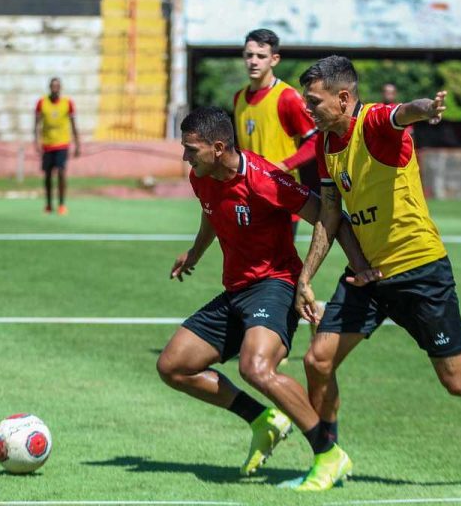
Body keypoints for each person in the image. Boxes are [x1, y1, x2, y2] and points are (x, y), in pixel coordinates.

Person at [292, 56, 461, 486]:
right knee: (317, 360)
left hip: (420, 270)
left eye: (314, 101)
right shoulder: (325, 145)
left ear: (344, 98)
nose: (308, 109)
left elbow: (402, 113)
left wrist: (426, 108)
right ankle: (328, 458)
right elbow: (330, 213)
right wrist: (305, 276)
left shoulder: (373, 124)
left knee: (457, 380)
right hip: (367, 276)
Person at [157, 106, 371, 491]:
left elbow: (326, 215)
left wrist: (338, 270)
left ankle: (329, 453)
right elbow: (211, 213)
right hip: (236, 289)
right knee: (172, 366)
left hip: (275, 285)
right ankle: (263, 420)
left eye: (191, 149)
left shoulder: (265, 178)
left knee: (256, 367)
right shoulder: (201, 176)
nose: (185, 157)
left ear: (218, 147)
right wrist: (195, 253)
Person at [233, 28, 320, 238]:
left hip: (282, 195)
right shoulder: (238, 98)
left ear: (274, 59)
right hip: (249, 195)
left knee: (280, 268)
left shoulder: (287, 97)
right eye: (249, 55)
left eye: (261, 56)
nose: (254, 61)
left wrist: (283, 166)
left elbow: (316, 140)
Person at [34, 77, 80, 215]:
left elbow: (73, 125)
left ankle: (61, 204)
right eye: (53, 86)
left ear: (60, 88)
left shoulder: (68, 103)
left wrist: (78, 144)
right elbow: (36, 124)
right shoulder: (42, 103)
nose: (55, 88)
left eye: (57, 86)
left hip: (62, 144)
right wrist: (36, 141)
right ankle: (48, 204)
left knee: (61, 172)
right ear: (49, 87)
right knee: (47, 175)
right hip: (47, 144)